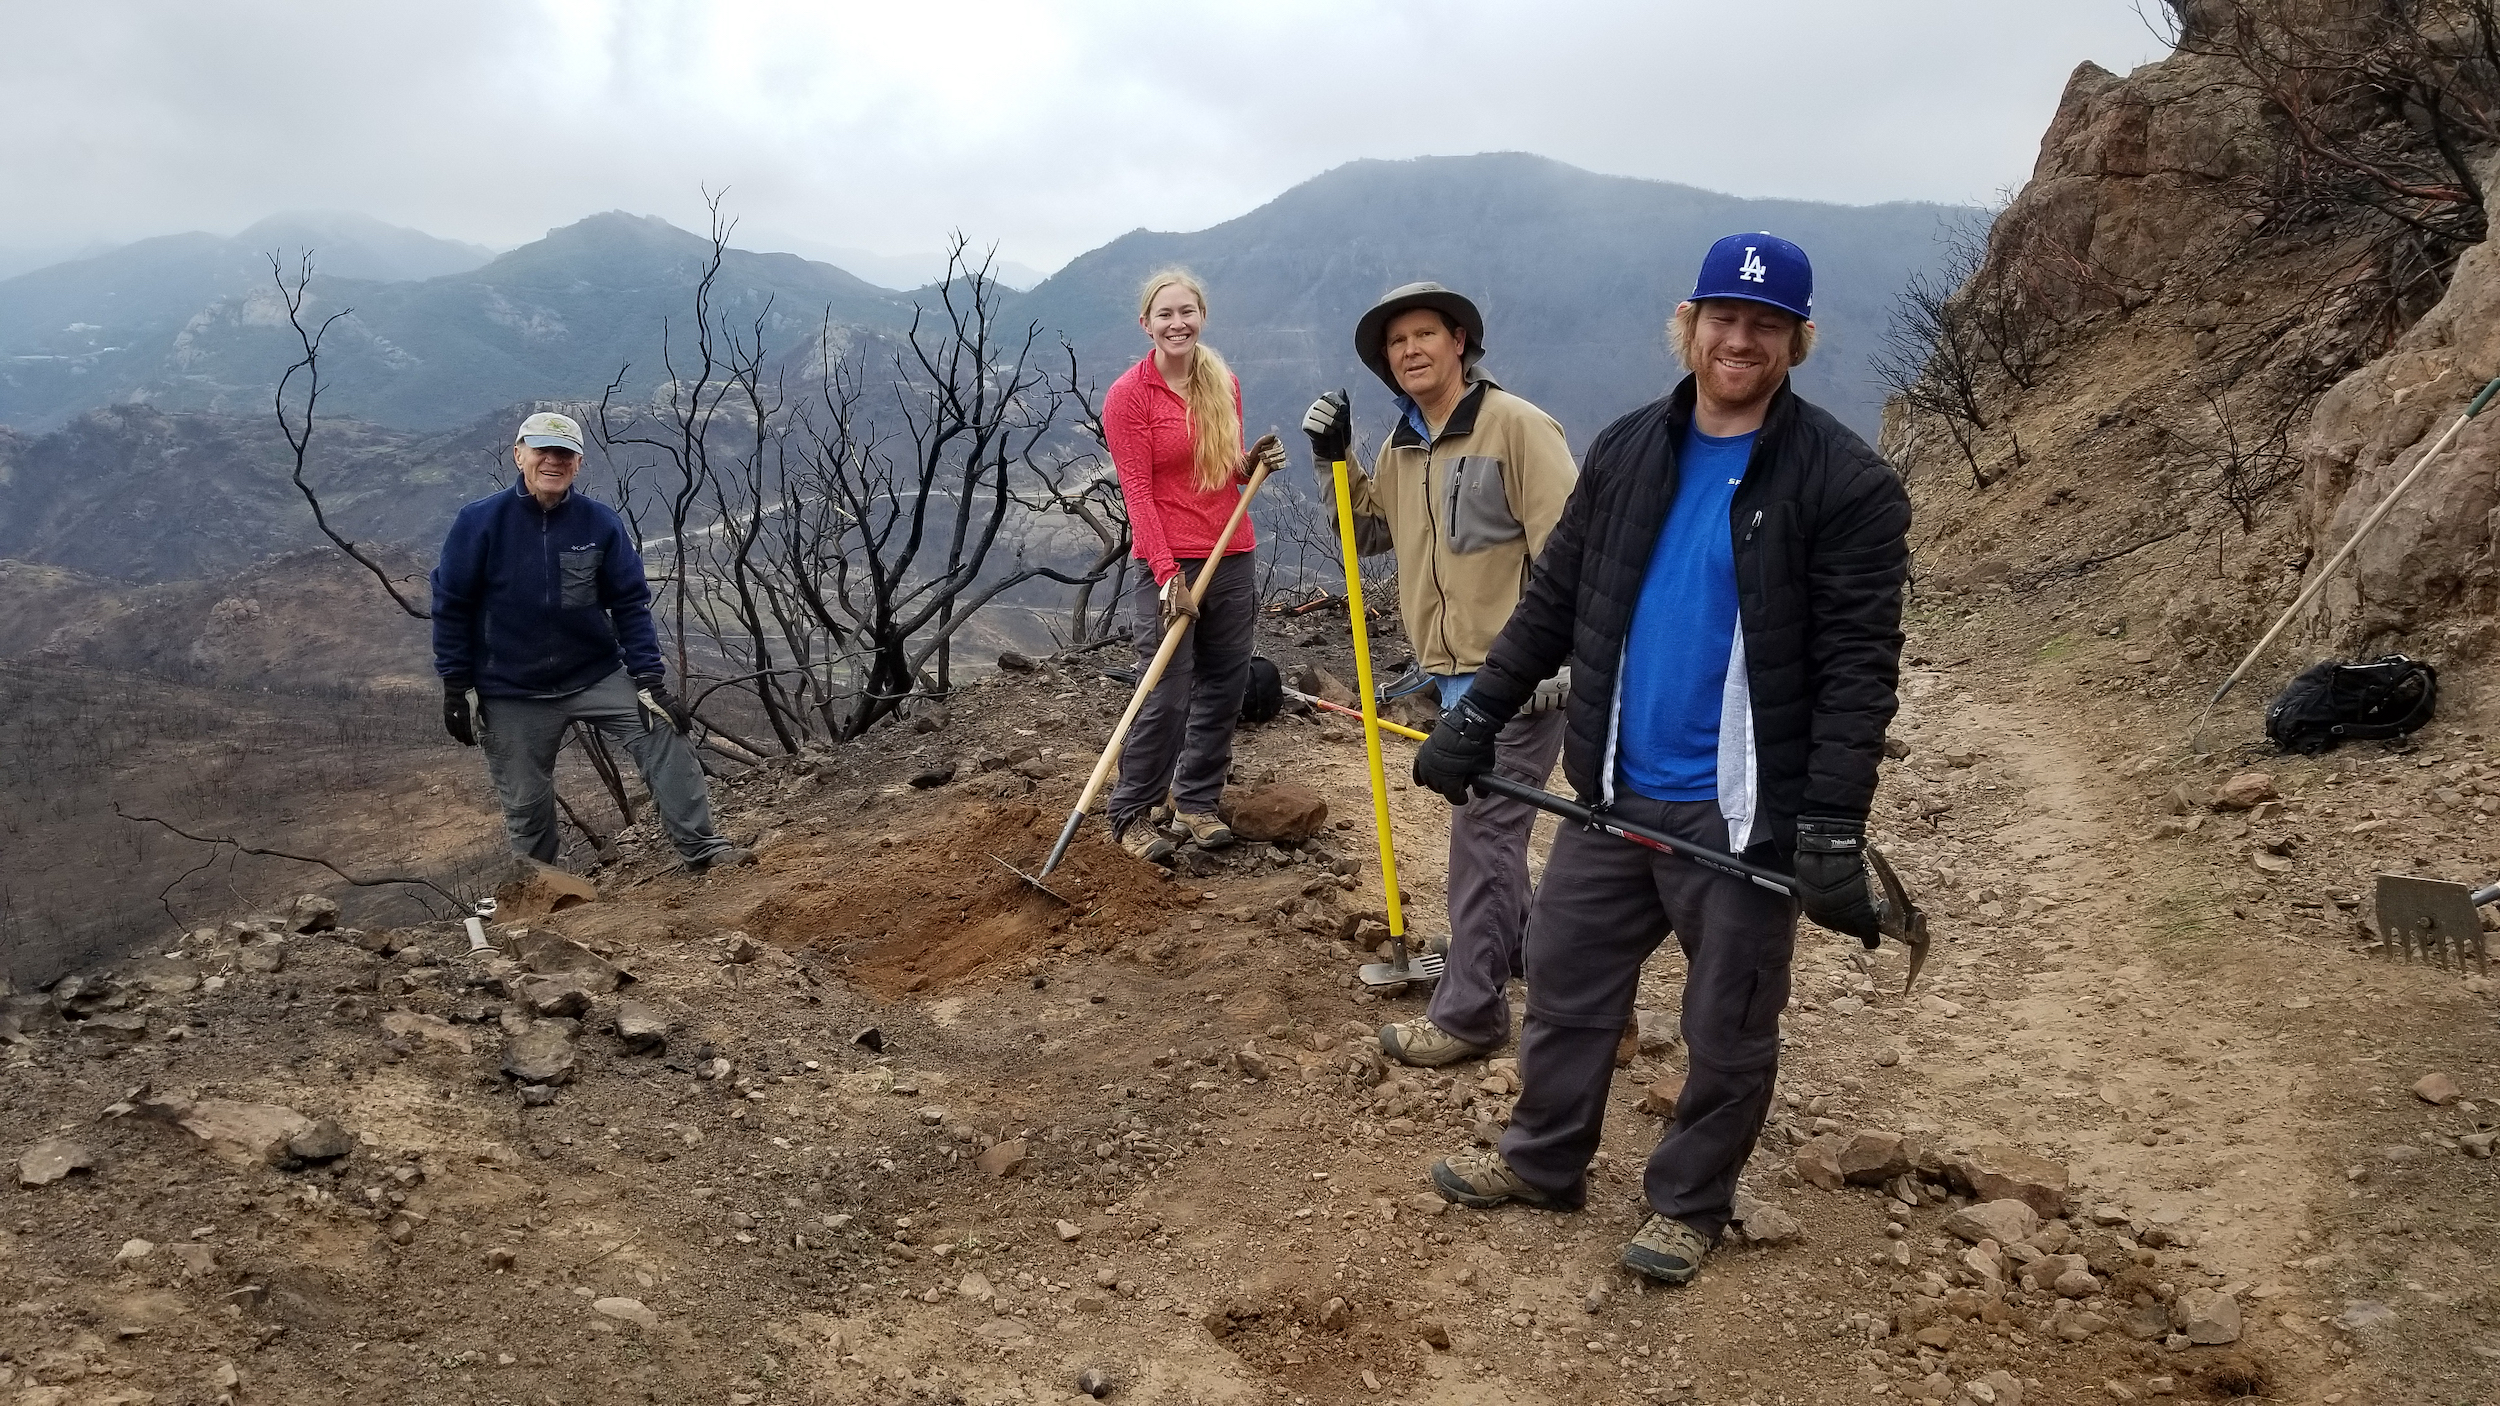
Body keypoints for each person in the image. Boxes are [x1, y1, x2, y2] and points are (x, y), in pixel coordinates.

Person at [1410, 234, 1910, 1286]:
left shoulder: (1844, 482)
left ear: (1796, 341)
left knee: (1726, 1021)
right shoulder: (1633, 446)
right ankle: (1544, 1160)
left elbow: (1859, 666)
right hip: (1610, 788)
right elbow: (1557, 600)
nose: (1741, 338)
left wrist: (1828, 821)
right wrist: (1478, 716)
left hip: (1738, 811)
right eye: (1723, 317)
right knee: (1565, 980)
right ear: (1687, 325)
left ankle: (1688, 1199)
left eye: (1766, 324)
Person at [1300, 283, 1577, 1068]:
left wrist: (1562, 659)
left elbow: (1573, 552)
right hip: (1451, 676)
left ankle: (1470, 1012)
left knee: (1481, 836)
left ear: (1461, 342)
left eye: (1425, 334)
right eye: (1396, 343)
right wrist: (1334, 462)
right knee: (1492, 836)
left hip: (1519, 676)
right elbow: (1367, 537)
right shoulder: (1404, 447)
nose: (1411, 350)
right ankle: (1518, 954)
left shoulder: (1516, 428)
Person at [432, 411, 752, 873]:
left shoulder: (599, 524)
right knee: (525, 802)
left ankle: (704, 852)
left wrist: (648, 680)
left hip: (594, 674)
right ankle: (544, 890)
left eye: (564, 453)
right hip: (511, 688)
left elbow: (628, 602)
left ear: (578, 463)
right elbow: (452, 603)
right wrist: (455, 684)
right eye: (543, 450)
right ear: (519, 454)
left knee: (663, 731)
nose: (553, 461)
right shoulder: (480, 522)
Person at [1101, 269, 1287, 863]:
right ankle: (1131, 812)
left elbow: (1218, 467)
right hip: (1170, 560)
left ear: (1201, 315)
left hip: (1231, 552)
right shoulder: (1128, 397)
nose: (1177, 323)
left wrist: (1248, 463)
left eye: (1187, 312)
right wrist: (1165, 573)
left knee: (1225, 684)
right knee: (1164, 692)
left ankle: (1196, 802)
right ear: (1146, 324)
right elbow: (1138, 492)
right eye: (1165, 315)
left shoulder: (1220, 382)